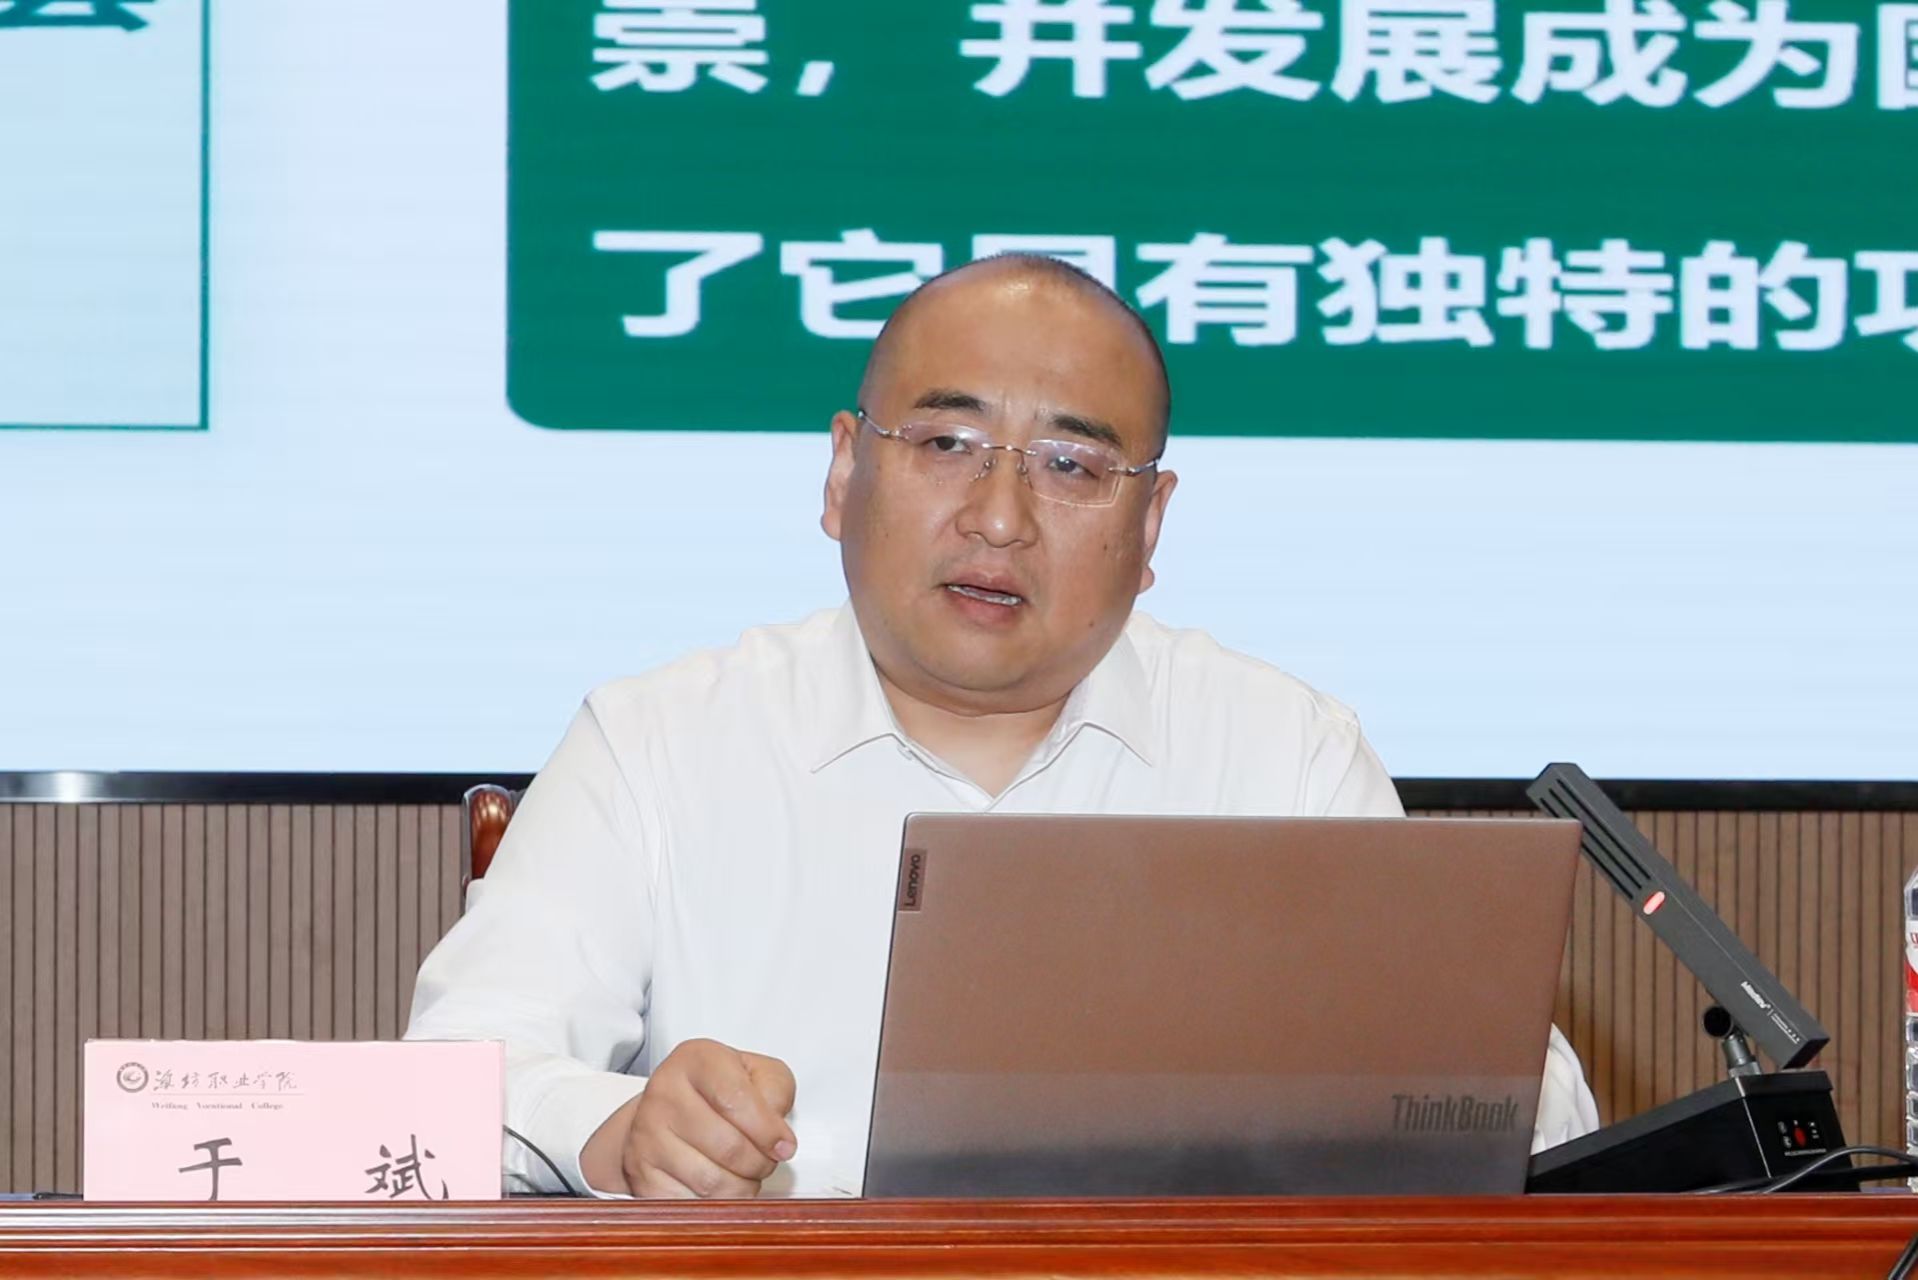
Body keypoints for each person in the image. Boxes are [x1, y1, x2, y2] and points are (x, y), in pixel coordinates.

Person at [405, 254, 1597, 1199]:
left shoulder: (1283, 753)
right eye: (946, 445)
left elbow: (1527, 1115)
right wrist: (619, 1127)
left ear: (1150, 523)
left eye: (1071, 465)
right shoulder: (659, 742)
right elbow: (451, 1081)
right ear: (842, 471)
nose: (999, 517)